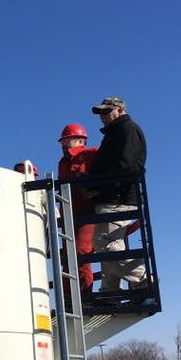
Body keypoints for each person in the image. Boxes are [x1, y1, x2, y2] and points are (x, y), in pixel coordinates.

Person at [88, 97, 148, 292]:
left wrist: (97, 185)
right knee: (112, 243)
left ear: (120, 110)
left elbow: (126, 165)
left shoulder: (127, 129)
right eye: (100, 113)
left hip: (119, 198)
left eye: (106, 111)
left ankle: (143, 279)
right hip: (114, 196)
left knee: (103, 243)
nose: (102, 116)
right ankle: (109, 291)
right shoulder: (115, 133)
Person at [57, 123, 98, 294]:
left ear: (82, 140)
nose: (65, 145)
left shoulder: (91, 154)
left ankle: (84, 298)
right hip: (70, 214)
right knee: (67, 258)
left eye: (69, 140)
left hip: (88, 213)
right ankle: (69, 299)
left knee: (81, 253)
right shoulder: (62, 163)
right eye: (63, 142)